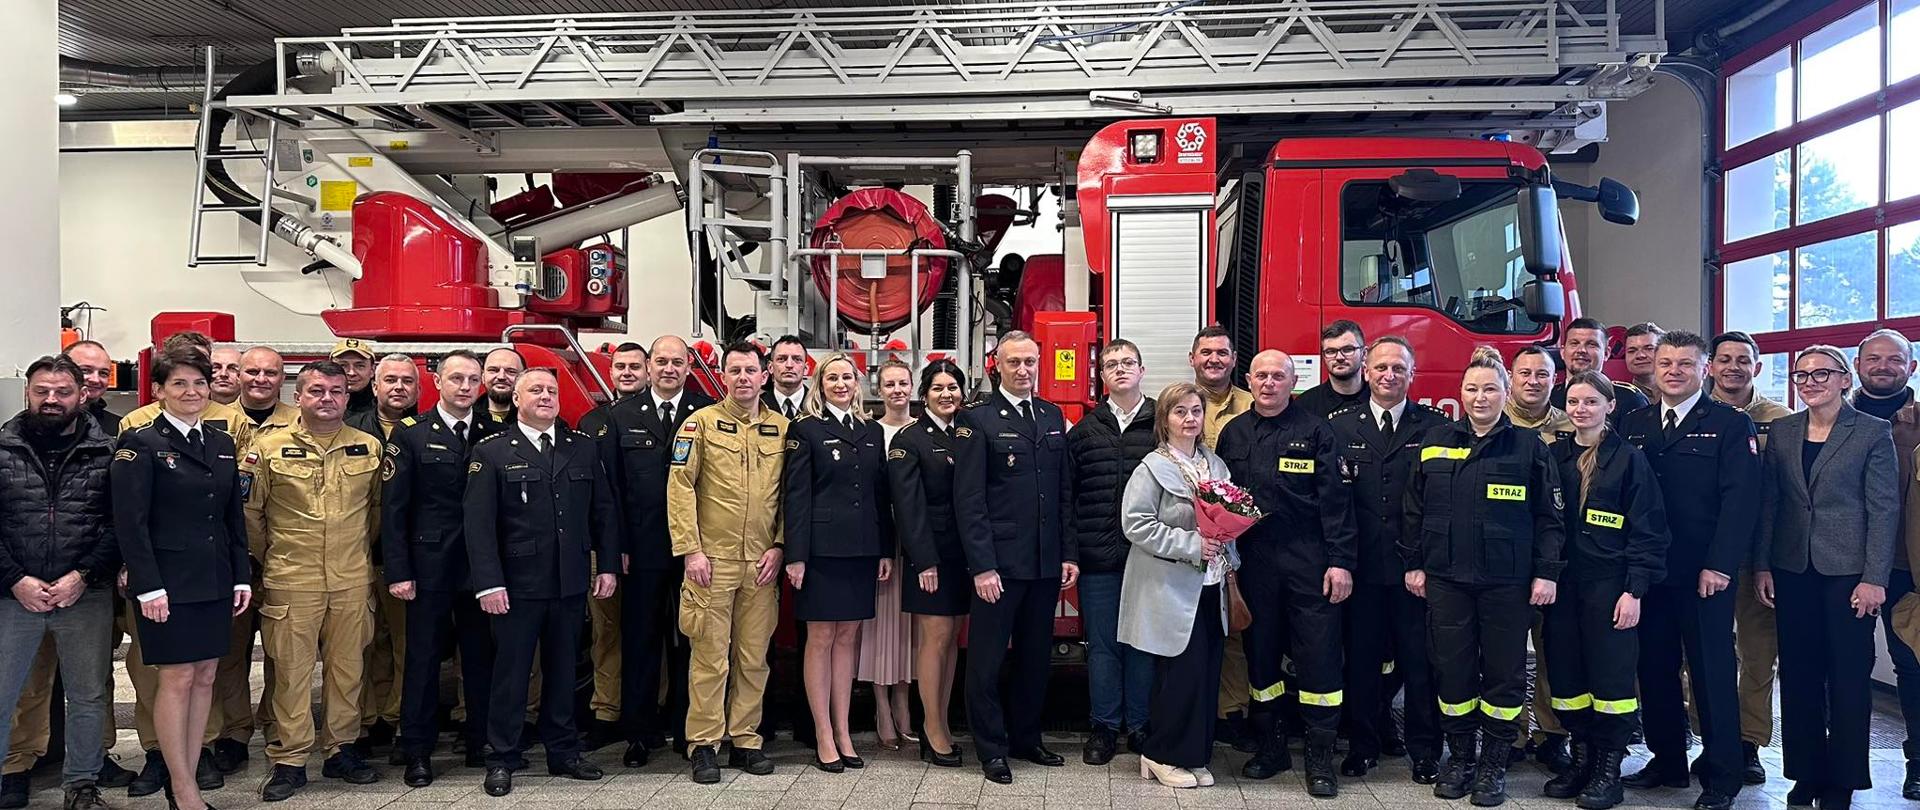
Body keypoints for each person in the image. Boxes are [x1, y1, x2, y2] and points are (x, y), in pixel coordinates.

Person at [1402, 346, 1564, 807]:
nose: (1480, 397)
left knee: (1504, 675)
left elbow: (1549, 518)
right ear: (1460, 392)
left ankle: (1493, 762)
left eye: (1490, 389)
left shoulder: (1530, 447)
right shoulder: (1434, 440)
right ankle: (1461, 759)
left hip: (1506, 583)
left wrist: (1546, 573)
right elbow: (1412, 510)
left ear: (1506, 392)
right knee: (1451, 672)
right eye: (1472, 388)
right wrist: (1413, 562)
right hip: (1446, 579)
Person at [1753, 346, 1900, 810]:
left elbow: (1884, 508)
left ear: (1843, 379)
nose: (1811, 381)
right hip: (1792, 568)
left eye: (1822, 373)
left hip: (1849, 574)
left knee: (1848, 678)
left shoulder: (1872, 431)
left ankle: (1844, 779)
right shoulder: (1783, 430)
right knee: (1798, 676)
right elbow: (1771, 503)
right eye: (1802, 374)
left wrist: (1875, 576)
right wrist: (1762, 564)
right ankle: (1806, 773)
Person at [1619, 330, 1758, 810]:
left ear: (1705, 370)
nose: (1673, 371)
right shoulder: (1634, 423)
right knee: (1653, 668)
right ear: (1654, 370)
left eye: (1685, 363)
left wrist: (1719, 565)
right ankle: (1667, 760)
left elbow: (1740, 501)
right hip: (1649, 572)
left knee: (1711, 672)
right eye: (1665, 363)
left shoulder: (1728, 425)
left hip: (1704, 575)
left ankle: (1722, 775)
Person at [466, 368, 620, 797]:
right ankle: (502, 756)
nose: (546, 396)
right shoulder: (493, 452)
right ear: (516, 398)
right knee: (512, 674)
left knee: (564, 671)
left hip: (569, 581)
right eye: (536, 389)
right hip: (516, 586)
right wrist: (488, 584)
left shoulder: (581, 448)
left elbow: (603, 513)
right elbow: (478, 526)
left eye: (552, 390)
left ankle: (563, 751)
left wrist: (605, 566)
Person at [113, 349, 253, 810]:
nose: (191, 392)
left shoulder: (219, 441)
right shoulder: (141, 444)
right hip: (167, 584)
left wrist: (240, 575)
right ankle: (183, 789)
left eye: (199, 383)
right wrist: (148, 586)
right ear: (158, 391)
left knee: (206, 675)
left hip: (214, 577)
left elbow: (233, 515)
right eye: (179, 384)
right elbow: (130, 523)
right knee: (176, 679)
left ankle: (187, 776)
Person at [241, 360, 385, 802]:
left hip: (352, 579)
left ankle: (341, 748)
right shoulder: (266, 447)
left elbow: (374, 514)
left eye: (337, 391)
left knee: (348, 670)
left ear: (348, 396)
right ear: (298, 396)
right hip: (291, 578)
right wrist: (275, 561)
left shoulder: (368, 447)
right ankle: (290, 758)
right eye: (317, 390)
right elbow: (251, 515)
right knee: (290, 672)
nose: (328, 399)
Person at [1216, 350, 1355, 796]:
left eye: (1278, 376)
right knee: (1260, 655)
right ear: (1250, 381)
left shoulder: (1316, 431)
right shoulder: (1234, 433)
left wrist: (1339, 562)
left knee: (1318, 657)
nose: (1269, 383)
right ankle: (1271, 747)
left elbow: (1337, 503)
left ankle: (1319, 757)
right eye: (1261, 376)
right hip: (1255, 563)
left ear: (1292, 382)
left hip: (1309, 561)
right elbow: (1221, 500)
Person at [2, 342, 129, 807]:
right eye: (42, 391)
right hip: (14, 595)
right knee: (7, 693)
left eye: (62, 391)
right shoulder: (2, 448)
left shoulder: (108, 452)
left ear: (82, 395)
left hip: (84, 594)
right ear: (27, 396)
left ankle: (82, 782)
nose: (51, 399)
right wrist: (15, 579)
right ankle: (8, 772)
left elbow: (118, 524)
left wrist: (83, 575)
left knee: (89, 694)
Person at [953, 330, 1079, 785]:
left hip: (1045, 565)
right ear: (997, 365)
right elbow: (968, 500)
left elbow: (1061, 492)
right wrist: (982, 566)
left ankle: (1027, 737)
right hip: (999, 568)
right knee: (986, 662)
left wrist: (1068, 553)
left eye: (1030, 362)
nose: (1023, 370)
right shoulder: (977, 419)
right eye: (1014, 363)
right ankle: (991, 748)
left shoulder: (1051, 415)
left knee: (1035, 658)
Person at [1541, 371, 1670, 810]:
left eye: (1591, 402)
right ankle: (1581, 758)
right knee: (1566, 678)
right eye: (1574, 402)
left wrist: (1634, 590)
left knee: (1611, 681)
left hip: (1610, 587)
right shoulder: (1553, 457)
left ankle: (1607, 771)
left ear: (1610, 406)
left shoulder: (1629, 460)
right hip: (1562, 588)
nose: (1581, 409)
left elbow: (1649, 531)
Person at [667, 342, 789, 784]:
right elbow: (680, 486)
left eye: (750, 370)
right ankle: (704, 744)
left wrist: (779, 546)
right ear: (722, 376)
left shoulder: (781, 428)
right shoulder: (698, 425)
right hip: (711, 563)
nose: (743, 378)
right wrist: (690, 550)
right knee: (710, 659)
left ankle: (746, 739)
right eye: (734, 370)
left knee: (754, 658)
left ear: (765, 376)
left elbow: (789, 498)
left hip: (761, 564)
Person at [1331, 337, 1449, 783]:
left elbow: (1440, 504)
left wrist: (1422, 560)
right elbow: (1334, 503)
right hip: (1361, 569)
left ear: (1411, 375)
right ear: (1366, 371)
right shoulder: (1341, 427)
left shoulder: (1435, 428)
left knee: (1420, 665)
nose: (1388, 375)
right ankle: (1362, 747)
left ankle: (1424, 752)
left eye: (1398, 368)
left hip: (1414, 572)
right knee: (1360, 663)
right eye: (1380, 367)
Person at [381, 350, 498, 786]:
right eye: (456, 379)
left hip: (478, 567)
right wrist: (398, 571)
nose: (465, 387)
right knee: (423, 660)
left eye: (472, 380)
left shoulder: (491, 431)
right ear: (438, 383)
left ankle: (480, 742)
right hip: (427, 567)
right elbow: (394, 510)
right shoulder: (410, 436)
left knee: (481, 657)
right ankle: (417, 751)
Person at [1118, 382, 1240, 789]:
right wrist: (1192, 544)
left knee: (1206, 672)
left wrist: (1227, 552)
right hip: (1170, 587)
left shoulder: (1216, 465)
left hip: (1212, 584)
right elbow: (1135, 524)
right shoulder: (1150, 468)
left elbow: (1230, 517)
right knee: (1178, 674)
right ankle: (1158, 754)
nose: (1189, 419)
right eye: (1180, 412)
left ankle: (1192, 754)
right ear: (1164, 419)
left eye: (1195, 411)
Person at [598, 335, 712, 765]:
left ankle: (688, 730)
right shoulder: (621, 415)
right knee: (640, 640)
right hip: (641, 550)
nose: (668, 368)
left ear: (688, 367)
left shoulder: (704, 413)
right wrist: (617, 548)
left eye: (677, 362)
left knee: (691, 640)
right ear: (648, 366)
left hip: (694, 550)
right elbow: (611, 493)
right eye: (661, 361)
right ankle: (639, 734)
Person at [784, 353, 894, 772]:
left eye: (847, 377)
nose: (841, 383)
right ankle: (823, 734)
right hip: (821, 551)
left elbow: (880, 495)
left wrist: (884, 548)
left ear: (858, 383)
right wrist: (796, 555)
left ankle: (844, 730)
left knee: (849, 638)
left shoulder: (869, 431)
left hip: (862, 548)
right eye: (832, 377)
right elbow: (795, 496)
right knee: (821, 639)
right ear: (820, 384)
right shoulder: (806, 430)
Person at [1705, 330, 1792, 786]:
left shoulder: (1780, 420)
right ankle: (1709, 739)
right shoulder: (1696, 415)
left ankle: (1749, 742)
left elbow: (1783, 494)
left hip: (1759, 556)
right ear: (1711, 367)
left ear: (1757, 368)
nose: (1733, 367)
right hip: (1706, 556)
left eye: (1743, 360)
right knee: (1697, 653)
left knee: (1758, 655)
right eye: (1724, 359)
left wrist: (1767, 560)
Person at [1065, 340, 1157, 765]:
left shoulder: (1162, 425)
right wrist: (1074, 553)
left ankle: (1139, 726)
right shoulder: (1085, 431)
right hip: (1098, 559)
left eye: (1127, 363)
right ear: (1100, 375)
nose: (1120, 369)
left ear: (1141, 369)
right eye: (1111, 364)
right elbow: (1069, 498)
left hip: (1150, 560)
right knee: (1102, 646)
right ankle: (1103, 727)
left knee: (1142, 645)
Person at [888, 360, 971, 768]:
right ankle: (932, 728)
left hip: (964, 556)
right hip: (931, 557)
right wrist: (924, 561)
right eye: (937, 388)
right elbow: (908, 508)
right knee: (934, 639)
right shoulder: (910, 440)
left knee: (952, 639)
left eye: (952, 387)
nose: (946, 394)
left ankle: (943, 722)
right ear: (924, 396)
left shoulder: (967, 435)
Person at [1851, 328, 1920, 798]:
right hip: (1839, 562)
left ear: (1910, 367)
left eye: (1893, 359)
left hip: (1904, 565)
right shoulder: (1831, 413)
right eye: (1872, 358)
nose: (1882, 366)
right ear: (1856, 366)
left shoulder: (1917, 421)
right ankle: (1840, 756)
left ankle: (1918, 762)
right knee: (1838, 663)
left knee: (1912, 665)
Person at [576, 341, 650, 748]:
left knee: (654, 632)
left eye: (634, 366)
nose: (626, 373)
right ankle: (606, 710)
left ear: (648, 370)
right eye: (619, 366)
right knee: (606, 630)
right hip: (604, 546)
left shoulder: (668, 419)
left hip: (653, 546)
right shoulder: (592, 422)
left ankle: (651, 706)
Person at [1503, 346, 1573, 769]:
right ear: (1510, 378)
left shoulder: (1573, 424)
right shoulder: (1492, 420)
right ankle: (1510, 735)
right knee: (1507, 653)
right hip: (1507, 557)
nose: (1533, 381)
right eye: (1524, 373)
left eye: (1542, 374)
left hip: (1558, 557)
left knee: (1554, 651)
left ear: (1555, 380)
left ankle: (1553, 733)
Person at [1188, 325, 1255, 746]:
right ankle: (1191, 711)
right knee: (1189, 630)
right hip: (1184, 543)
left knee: (1235, 628)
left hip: (1240, 540)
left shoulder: (1254, 404)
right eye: (1206, 352)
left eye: (1222, 353)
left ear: (1234, 360)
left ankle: (1232, 711)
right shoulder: (1177, 403)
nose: (1214, 359)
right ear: (1192, 357)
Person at [349, 354, 418, 759]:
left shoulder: (425, 430)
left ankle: (395, 718)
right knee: (361, 644)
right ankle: (363, 720)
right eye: (390, 380)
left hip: (405, 559)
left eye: (407, 381)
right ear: (374, 386)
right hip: (355, 555)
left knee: (406, 644)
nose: (398, 387)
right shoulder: (350, 430)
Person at [860, 361, 917, 751]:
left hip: (916, 541)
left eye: (903, 383)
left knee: (910, 627)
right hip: (880, 541)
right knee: (880, 626)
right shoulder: (868, 432)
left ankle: (904, 699)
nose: (897, 390)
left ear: (913, 387)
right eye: (889, 384)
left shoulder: (923, 430)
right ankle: (881, 704)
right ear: (878, 390)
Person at [1550, 319, 1650, 422]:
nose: (1581, 350)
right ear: (1562, 352)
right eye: (1574, 343)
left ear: (1607, 353)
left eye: (1591, 344)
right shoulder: (1547, 398)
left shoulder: (1631, 400)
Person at [1295, 320, 1370, 419]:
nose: (1339, 357)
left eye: (1347, 349)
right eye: (1331, 351)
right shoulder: (1305, 405)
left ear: (1364, 354)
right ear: (1324, 356)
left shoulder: (1381, 398)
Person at [238, 346, 297, 432]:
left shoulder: (300, 422)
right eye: (253, 372)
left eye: (270, 373)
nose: (261, 380)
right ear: (238, 376)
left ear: (282, 379)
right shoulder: (219, 418)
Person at [765, 336, 811, 420]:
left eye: (797, 359)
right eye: (781, 359)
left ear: (806, 369)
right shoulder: (757, 406)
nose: (789, 365)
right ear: (770, 367)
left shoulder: (819, 406)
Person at [332, 339, 377, 417]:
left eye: (360, 366)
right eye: (343, 365)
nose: (351, 373)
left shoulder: (384, 412)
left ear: (372, 370)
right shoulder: (315, 407)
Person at [480, 348, 525, 425]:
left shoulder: (534, 416)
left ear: (523, 378)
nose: (501, 377)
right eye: (493, 370)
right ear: (483, 377)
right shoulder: (467, 414)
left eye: (511, 371)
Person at [1621, 323, 1664, 397]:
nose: (1640, 355)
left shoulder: (1684, 393)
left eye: (1649, 348)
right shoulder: (1616, 397)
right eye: (1632, 351)